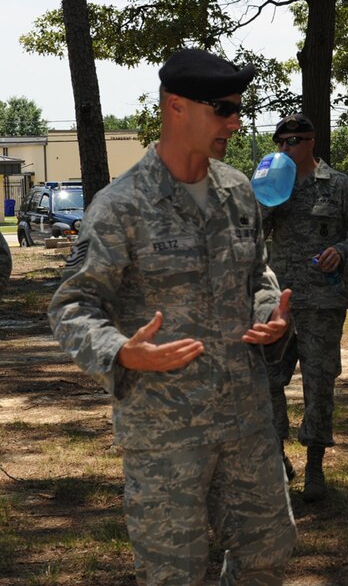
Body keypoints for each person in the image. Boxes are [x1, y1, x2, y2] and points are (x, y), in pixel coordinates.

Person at [47, 48, 297, 584]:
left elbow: (258, 275)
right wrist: (121, 352)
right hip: (166, 432)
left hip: (246, 418)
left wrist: (267, 314)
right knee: (173, 572)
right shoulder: (122, 206)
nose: (236, 121)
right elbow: (72, 306)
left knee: (268, 552)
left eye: (238, 108)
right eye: (223, 108)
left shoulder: (237, 193)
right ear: (176, 107)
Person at [263, 113, 348, 502]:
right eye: (279, 143)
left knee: (318, 385)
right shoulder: (270, 186)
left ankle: (315, 467)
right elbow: (249, 232)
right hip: (280, 303)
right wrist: (264, 197)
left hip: (323, 304)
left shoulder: (338, 186)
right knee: (265, 381)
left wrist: (341, 252)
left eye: (291, 142)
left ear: (310, 142)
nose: (284, 149)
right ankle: (278, 457)